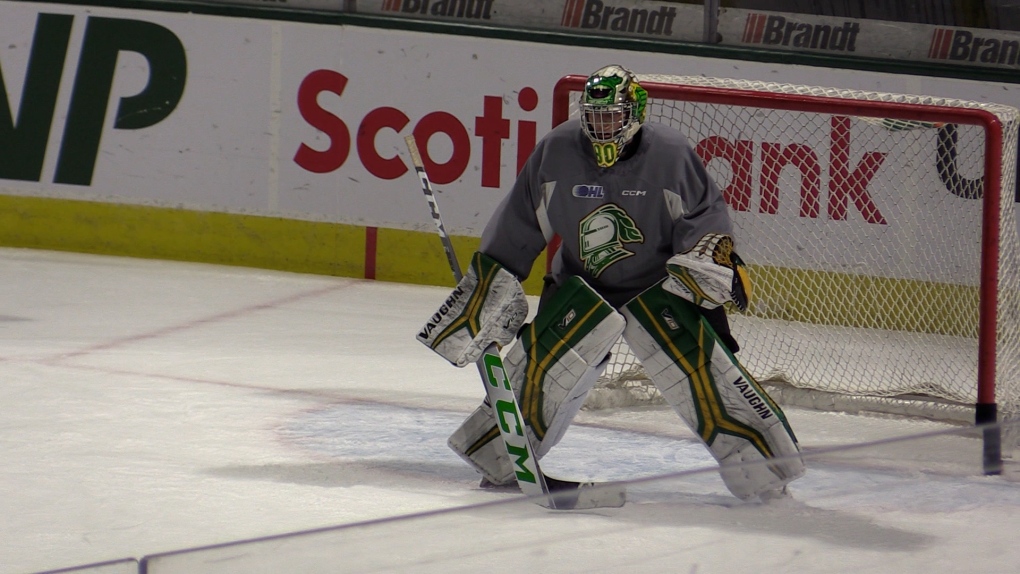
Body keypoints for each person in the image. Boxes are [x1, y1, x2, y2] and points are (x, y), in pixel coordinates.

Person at [416, 65, 804, 501]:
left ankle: (764, 468)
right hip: (582, 285)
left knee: (709, 370)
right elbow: (520, 223)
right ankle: (502, 458)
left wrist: (708, 256)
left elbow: (703, 218)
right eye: (594, 116)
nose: (601, 126)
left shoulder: (671, 156)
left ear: (634, 112)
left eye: (611, 115)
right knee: (543, 369)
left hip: (661, 289)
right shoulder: (557, 152)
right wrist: (486, 291)